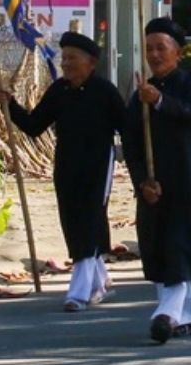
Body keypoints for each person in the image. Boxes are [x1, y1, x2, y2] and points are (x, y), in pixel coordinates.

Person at [8, 31, 125, 313]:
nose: (66, 64)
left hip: (98, 163)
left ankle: (78, 293)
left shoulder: (105, 91)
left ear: (91, 62)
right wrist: (10, 105)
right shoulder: (59, 90)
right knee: (72, 220)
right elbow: (34, 125)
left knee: (90, 219)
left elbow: (127, 129)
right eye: (64, 58)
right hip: (66, 163)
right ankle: (99, 281)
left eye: (73, 58)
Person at [125, 18, 191, 344]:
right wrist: (142, 182)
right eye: (149, 49)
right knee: (158, 249)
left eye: (161, 48)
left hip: (187, 180)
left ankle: (166, 315)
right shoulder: (139, 96)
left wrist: (160, 101)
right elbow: (132, 145)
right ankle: (186, 316)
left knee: (179, 247)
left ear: (178, 53)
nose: (154, 55)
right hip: (154, 185)